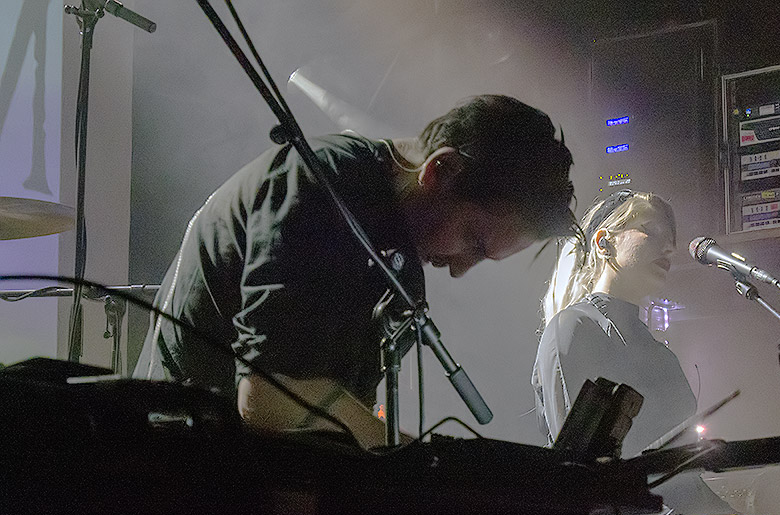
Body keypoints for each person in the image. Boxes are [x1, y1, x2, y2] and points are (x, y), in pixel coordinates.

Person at [134, 94, 576, 446]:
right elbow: (268, 402)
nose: (461, 269)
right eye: (474, 242)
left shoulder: (396, 256)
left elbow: (336, 420)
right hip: (176, 471)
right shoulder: (326, 187)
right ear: (440, 170)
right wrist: (421, 463)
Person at [531, 190, 748, 515]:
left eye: (671, 239)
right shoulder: (573, 329)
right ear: (604, 243)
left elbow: (682, 478)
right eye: (651, 230)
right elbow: (584, 473)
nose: (669, 248)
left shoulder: (662, 357)